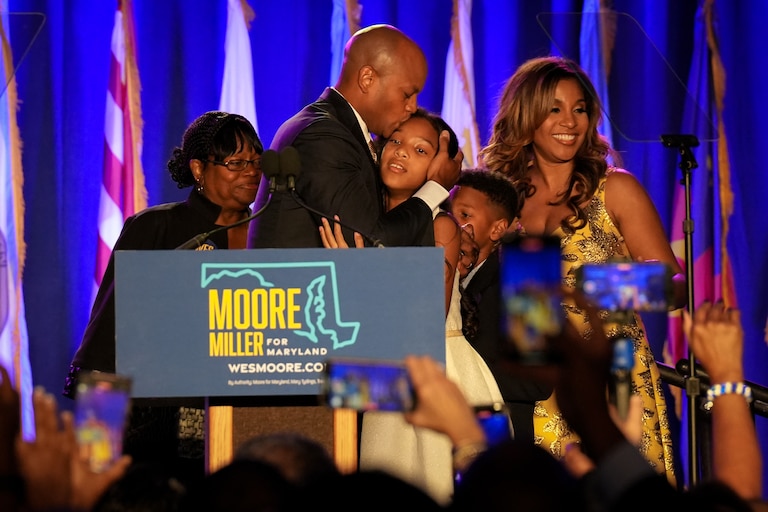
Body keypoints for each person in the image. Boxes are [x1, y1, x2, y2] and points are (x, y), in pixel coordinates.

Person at [478, 55, 685, 484]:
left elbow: (677, 285)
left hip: (611, 381)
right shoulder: (499, 195)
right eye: (554, 108)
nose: (569, 120)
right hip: (527, 383)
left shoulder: (617, 188)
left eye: (579, 108)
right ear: (526, 115)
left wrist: (596, 284)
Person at [62, 111, 263, 482]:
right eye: (236, 163)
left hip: (246, 429)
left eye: (256, 161)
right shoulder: (156, 228)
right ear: (199, 169)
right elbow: (108, 339)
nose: (251, 171)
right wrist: (96, 451)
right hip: (158, 430)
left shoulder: (269, 234)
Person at [319, 109, 505, 505]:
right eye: (396, 141)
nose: (401, 153)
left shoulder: (441, 227)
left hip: (433, 372)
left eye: (420, 149)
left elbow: (424, 319)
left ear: (439, 169)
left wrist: (355, 275)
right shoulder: (363, 220)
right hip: (380, 373)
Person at [247, 23, 463, 250]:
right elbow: (371, 245)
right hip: (295, 285)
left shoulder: (339, 131)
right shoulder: (324, 136)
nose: (413, 107)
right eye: (407, 94)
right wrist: (436, 186)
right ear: (368, 79)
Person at [449, 169, 552, 444]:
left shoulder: (529, 276)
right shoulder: (438, 273)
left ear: (497, 228)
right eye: (447, 212)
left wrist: (457, 374)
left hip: (497, 445)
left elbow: (536, 380)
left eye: (465, 215)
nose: (451, 222)